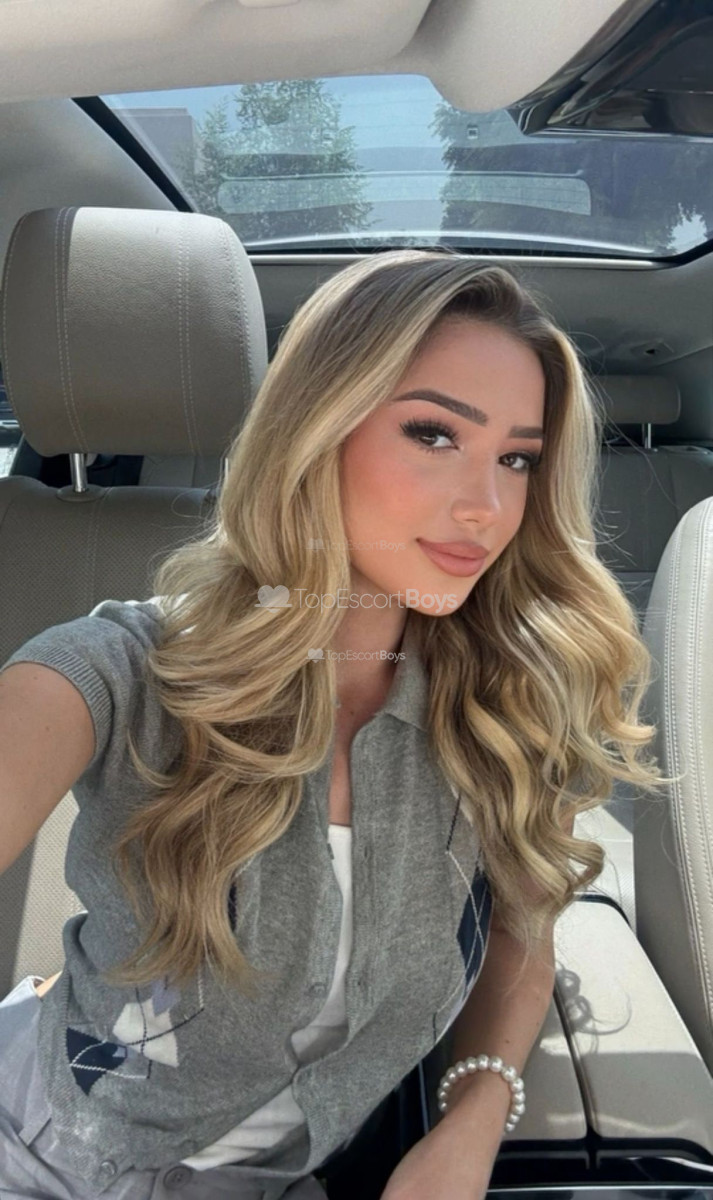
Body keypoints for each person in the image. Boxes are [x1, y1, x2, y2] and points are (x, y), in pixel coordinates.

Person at [0, 249, 673, 1200]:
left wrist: (471, 1127)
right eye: (434, 434)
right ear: (318, 430)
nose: (485, 507)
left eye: (516, 458)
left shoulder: (509, 705)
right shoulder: (117, 673)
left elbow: (520, 940)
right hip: (36, 1147)